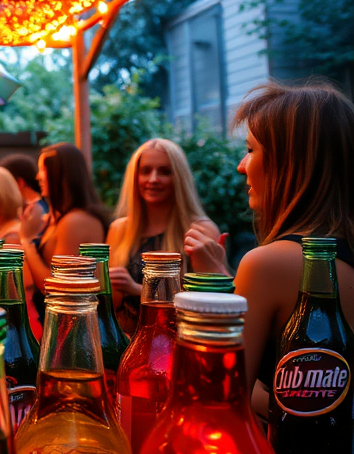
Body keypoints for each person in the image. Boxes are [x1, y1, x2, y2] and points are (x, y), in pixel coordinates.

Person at [225, 82, 354, 418]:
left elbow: (226, 403)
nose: (242, 165)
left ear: (290, 164)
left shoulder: (268, 266)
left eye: (251, 150)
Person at [107, 138, 223, 332]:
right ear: (134, 177)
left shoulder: (200, 230)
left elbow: (209, 302)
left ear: (179, 178)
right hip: (124, 345)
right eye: (145, 171)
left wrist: (137, 290)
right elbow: (109, 304)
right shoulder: (119, 229)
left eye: (164, 171)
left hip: (177, 344)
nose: (153, 179)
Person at [19, 142, 107, 315]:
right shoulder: (62, 218)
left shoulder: (75, 221)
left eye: (43, 170)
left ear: (63, 174)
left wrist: (27, 242)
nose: (38, 177)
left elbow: (56, 287)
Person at [0, 152, 49, 238]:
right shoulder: (28, 207)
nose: (1, 189)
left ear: (20, 183)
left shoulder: (38, 210)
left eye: (6, 183)